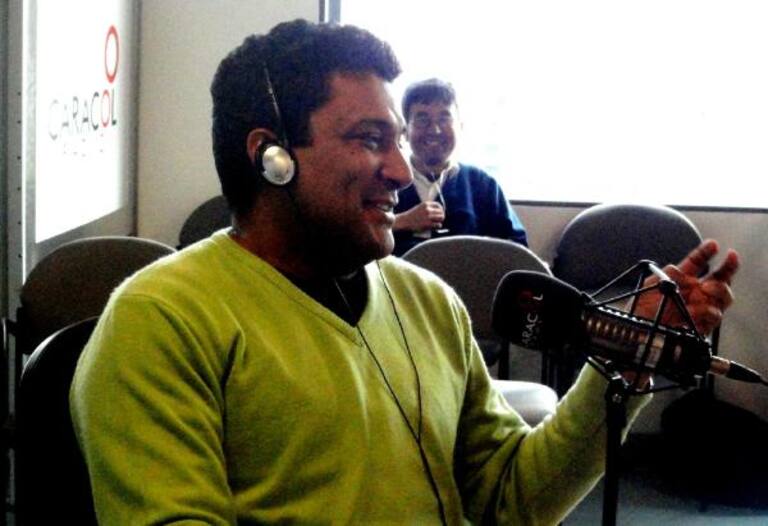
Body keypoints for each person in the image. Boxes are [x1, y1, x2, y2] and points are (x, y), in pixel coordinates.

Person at [70, 19, 740, 525]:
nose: (398, 169)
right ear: (271, 156)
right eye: (370, 140)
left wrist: (624, 360)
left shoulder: (427, 301)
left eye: (396, 139)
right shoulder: (162, 321)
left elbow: (514, 499)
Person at [392, 78, 528, 256]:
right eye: (422, 119)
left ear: (460, 127)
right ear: (404, 131)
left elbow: (518, 249)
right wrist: (400, 222)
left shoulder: (482, 184)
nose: (434, 130)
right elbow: (358, 239)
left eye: (444, 118)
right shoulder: (387, 180)